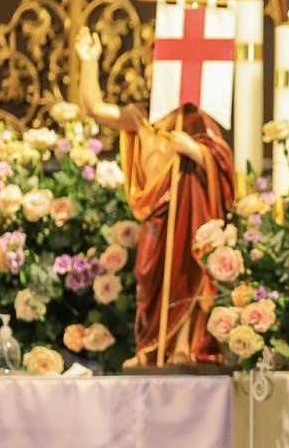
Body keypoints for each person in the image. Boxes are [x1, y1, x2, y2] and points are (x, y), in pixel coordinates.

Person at [74, 27, 235, 366]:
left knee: (187, 274)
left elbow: (220, 159)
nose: (150, 73)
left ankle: (183, 346)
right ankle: (151, 348)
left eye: (159, 66)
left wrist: (192, 149)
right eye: (149, 65)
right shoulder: (140, 117)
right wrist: (89, 62)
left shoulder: (193, 120)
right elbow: (95, 109)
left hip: (187, 214)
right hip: (154, 216)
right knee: (148, 279)